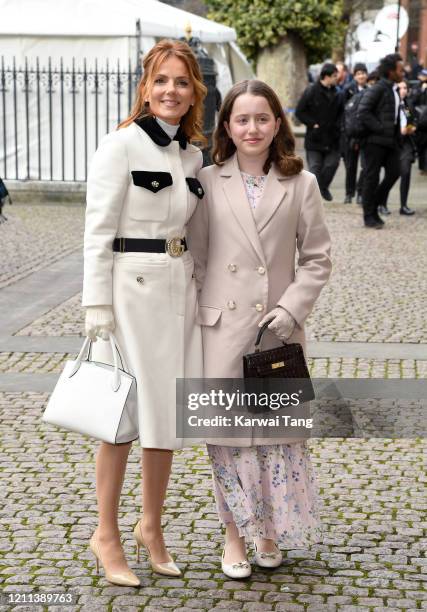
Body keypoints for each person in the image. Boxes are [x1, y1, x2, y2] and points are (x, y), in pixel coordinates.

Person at [188, 79, 332, 579]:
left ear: (277, 124)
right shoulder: (205, 180)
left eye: (262, 118)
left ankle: (268, 531)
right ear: (226, 125)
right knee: (227, 442)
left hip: (277, 331)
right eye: (242, 119)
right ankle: (234, 536)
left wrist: (291, 309)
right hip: (223, 331)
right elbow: (198, 259)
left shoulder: (302, 183)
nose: (253, 128)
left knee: (276, 440)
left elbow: (316, 259)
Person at [82, 39, 207, 586]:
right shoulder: (121, 146)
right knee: (121, 419)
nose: (171, 91)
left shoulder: (192, 154)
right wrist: (96, 306)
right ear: (145, 87)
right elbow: (97, 233)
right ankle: (106, 534)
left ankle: (150, 527)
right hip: (130, 294)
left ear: (194, 91)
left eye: (181, 82)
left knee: (167, 416)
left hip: (178, 292)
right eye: (161, 81)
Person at [358, 53, 405, 228]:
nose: (403, 72)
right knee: (371, 177)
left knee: (395, 172)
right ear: (391, 71)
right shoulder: (378, 88)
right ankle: (369, 215)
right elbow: (363, 112)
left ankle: (373, 204)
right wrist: (379, 127)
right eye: (400, 69)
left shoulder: (393, 89)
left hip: (390, 142)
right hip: (374, 142)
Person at [296, 63, 343, 202]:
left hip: (333, 138)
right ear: (326, 76)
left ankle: (323, 187)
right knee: (315, 169)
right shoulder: (311, 90)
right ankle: (310, 201)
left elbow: (342, 113)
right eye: (335, 76)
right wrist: (313, 124)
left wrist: (339, 127)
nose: (337, 79)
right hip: (315, 139)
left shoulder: (338, 93)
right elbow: (300, 112)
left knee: (332, 164)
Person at [342, 63, 368, 204]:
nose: (361, 76)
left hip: (364, 135)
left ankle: (360, 192)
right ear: (354, 75)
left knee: (365, 166)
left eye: (363, 73)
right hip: (350, 135)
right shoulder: (348, 90)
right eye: (358, 73)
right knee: (351, 166)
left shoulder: (370, 90)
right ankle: (349, 193)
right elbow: (343, 113)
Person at [398, 80, 417, 215]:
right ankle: (381, 203)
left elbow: (412, 120)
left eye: (405, 88)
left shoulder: (407, 105)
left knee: (406, 172)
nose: (403, 90)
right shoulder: (390, 104)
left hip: (406, 143)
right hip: (392, 143)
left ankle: (403, 205)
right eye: (401, 88)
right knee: (390, 175)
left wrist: (412, 127)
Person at [410, 68, 427, 173]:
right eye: (423, 75)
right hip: (420, 120)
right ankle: (422, 167)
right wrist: (422, 91)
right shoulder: (416, 87)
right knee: (421, 144)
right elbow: (412, 102)